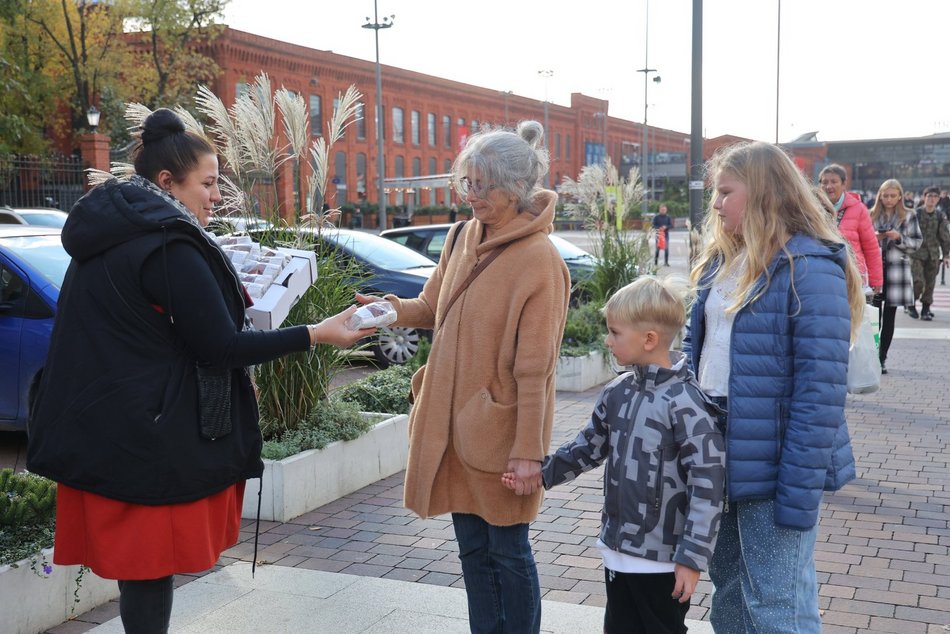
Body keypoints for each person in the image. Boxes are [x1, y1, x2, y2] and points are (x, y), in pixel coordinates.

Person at [25, 108, 371, 634]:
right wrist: (317, 332)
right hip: (149, 432)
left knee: (140, 573)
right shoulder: (169, 244)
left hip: (104, 422)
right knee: (148, 571)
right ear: (167, 182)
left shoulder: (109, 235)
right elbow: (222, 347)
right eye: (207, 183)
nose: (216, 195)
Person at [357, 120, 570, 634]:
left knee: (508, 550)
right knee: (473, 550)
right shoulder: (460, 236)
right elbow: (432, 304)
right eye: (465, 183)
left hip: (499, 432)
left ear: (516, 188)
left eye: (481, 185)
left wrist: (528, 451)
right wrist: (387, 311)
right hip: (451, 426)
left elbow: (535, 369)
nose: (470, 195)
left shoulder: (540, 261)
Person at [686, 142, 865, 633]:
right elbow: (693, 356)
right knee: (728, 592)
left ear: (762, 191)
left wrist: (799, 491)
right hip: (714, 453)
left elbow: (820, 394)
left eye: (726, 191)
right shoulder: (719, 264)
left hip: (775, 461)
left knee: (776, 604)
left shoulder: (808, 268)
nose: (716, 204)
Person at [503, 275, 725, 634]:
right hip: (617, 551)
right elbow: (588, 447)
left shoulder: (686, 403)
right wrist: (541, 473)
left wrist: (692, 558)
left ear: (649, 339)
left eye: (615, 332)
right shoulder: (617, 392)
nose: (608, 340)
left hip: (663, 562)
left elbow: (709, 485)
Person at [869, 178, 922, 371]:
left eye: (892, 195)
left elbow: (916, 244)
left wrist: (898, 237)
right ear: (880, 196)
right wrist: (876, 238)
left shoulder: (909, 215)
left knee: (889, 317)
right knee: (874, 317)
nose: (889, 199)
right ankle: (872, 356)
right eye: (885, 195)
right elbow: (861, 242)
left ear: (900, 196)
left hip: (896, 272)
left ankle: (881, 358)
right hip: (875, 271)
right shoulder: (871, 215)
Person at [819, 163, 884, 296]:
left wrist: (876, 280)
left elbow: (871, 247)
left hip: (852, 276)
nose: (829, 186)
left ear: (844, 184)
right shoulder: (814, 209)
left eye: (834, 181)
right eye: (824, 182)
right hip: (823, 275)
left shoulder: (859, 209)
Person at [908, 185, 950, 320]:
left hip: (933, 255)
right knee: (917, 281)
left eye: (935, 196)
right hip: (916, 254)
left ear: (938, 199)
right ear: (924, 197)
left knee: (930, 283)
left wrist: (946, 255)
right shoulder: (915, 214)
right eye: (929, 196)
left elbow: (944, 237)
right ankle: (911, 304)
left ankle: (926, 309)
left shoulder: (939, 215)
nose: (932, 199)